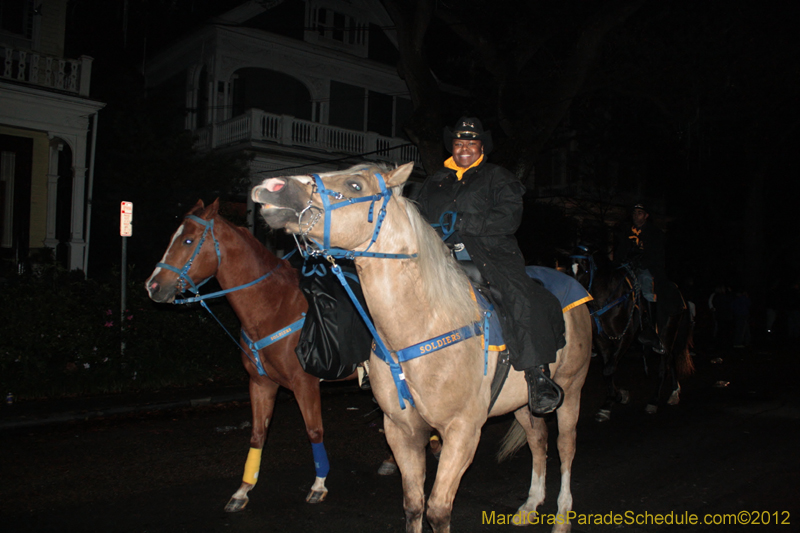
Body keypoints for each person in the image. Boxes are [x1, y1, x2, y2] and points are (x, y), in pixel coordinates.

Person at [414, 116, 566, 417]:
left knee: (519, 296)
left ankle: (537, 375)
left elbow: (509, 218)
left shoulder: (498, 177)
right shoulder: (434, 181)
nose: (464, 148)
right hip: (440, 258)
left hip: (490, 255)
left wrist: (464, 221)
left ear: (481, 147)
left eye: (471, 143)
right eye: (459, 143)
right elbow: (417, 215)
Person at [613, 203, 666, 354]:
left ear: (646, 215)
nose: (636, 215)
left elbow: (656, 254)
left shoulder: (655, 233)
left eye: (640, 213)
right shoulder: (626, 231)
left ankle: (652, 330)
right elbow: (620, 251)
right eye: (634, 212)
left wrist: (642, 262)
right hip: (628, 267)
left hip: (645, 268)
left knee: (647, 289)